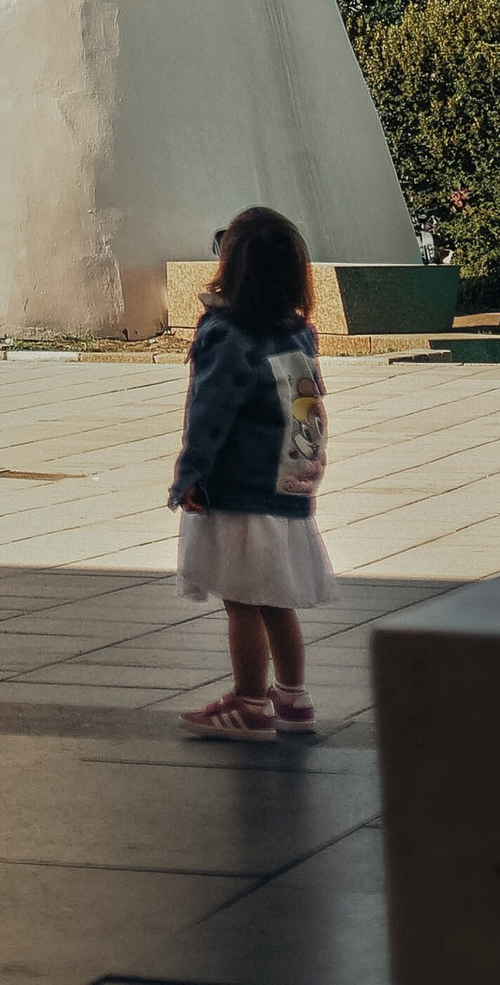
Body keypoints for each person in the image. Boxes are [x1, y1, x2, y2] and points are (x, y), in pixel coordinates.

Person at [167, 203, 334, 740]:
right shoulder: (298, 334)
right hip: (288, 486)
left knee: (242, 604)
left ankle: (249, 703)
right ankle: (293, 698)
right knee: (278, 601)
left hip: (239, 489)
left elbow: (210, 411)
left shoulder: (226, 332)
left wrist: (190, 476)